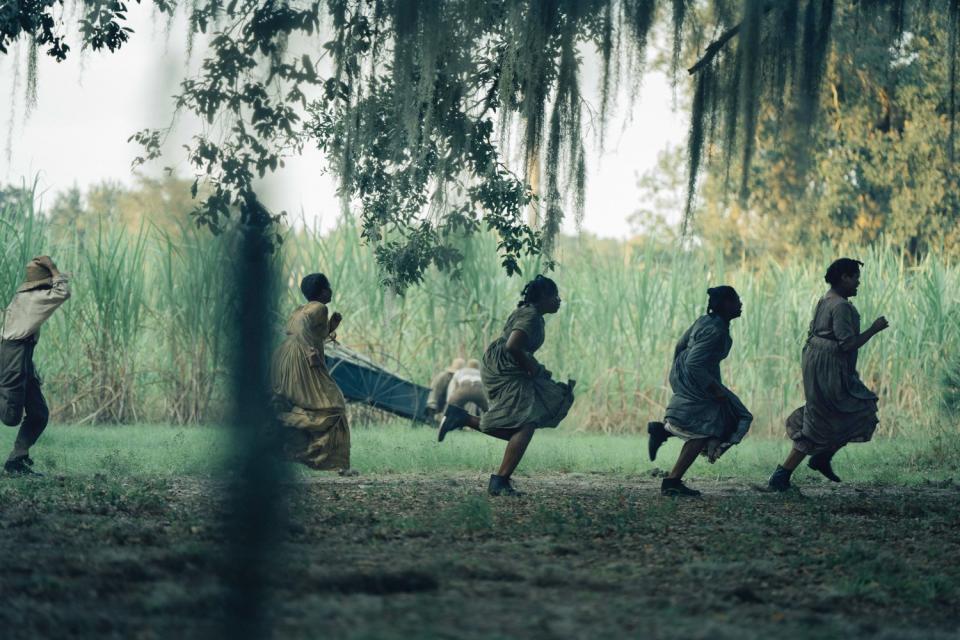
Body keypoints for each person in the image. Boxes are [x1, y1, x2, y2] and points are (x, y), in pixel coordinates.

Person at [437, 275, 575, 496]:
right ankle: (499, 480)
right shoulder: (530, 316)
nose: (559, 300)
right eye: (555, 296)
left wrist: (535, 368)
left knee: (524, 426)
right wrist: (531, 367)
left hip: (505, 364)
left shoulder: (532, 314)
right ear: (543, 298)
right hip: (505, 368)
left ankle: (462, 420)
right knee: (527, 423)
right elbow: (512, 346)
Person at [768, 258, 888, 491]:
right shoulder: (841, 306)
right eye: (855, 278)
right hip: (829, 366)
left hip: (817, 361)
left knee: (826, 414)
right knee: (852, 412)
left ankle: (817, 459)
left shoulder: (826, 299)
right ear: (844, 277)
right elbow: (847, 344)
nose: (857, 283)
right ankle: (783, 475)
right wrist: (874, 329)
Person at [647, 286, 753, 497]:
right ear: (724, 304)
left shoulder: (704, 321)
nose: (740, 304)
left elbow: (680, 345)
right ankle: (672, 481)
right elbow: (695, 363)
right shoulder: (716, 329)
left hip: (686, 373)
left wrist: (678, 372)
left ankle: (663, 433)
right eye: (735, 301)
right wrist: (714, 388)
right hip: (697, 377)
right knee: (716, 424)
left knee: (711, 423)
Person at [270, 273, 352, 473]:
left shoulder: (301, 309)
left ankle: (287, 445)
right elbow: (301, 330)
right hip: (301, 358)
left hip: (284, 358)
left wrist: (332, 326)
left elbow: (311, 332)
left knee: (313, 406)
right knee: (334, 405)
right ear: (322, 291)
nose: (331, 290)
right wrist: (310, 353)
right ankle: (332, 462)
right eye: (328, 287)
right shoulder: (319, 307)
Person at [0, 256, 71, 476]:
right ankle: (16, 462)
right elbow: (63, 292)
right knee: (11, 417)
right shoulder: (33, 298)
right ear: (45, 282)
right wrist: (53, 267)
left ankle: (17, 460)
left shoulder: (26, 296)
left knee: (39, 413)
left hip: (22, 358)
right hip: (13, 355)